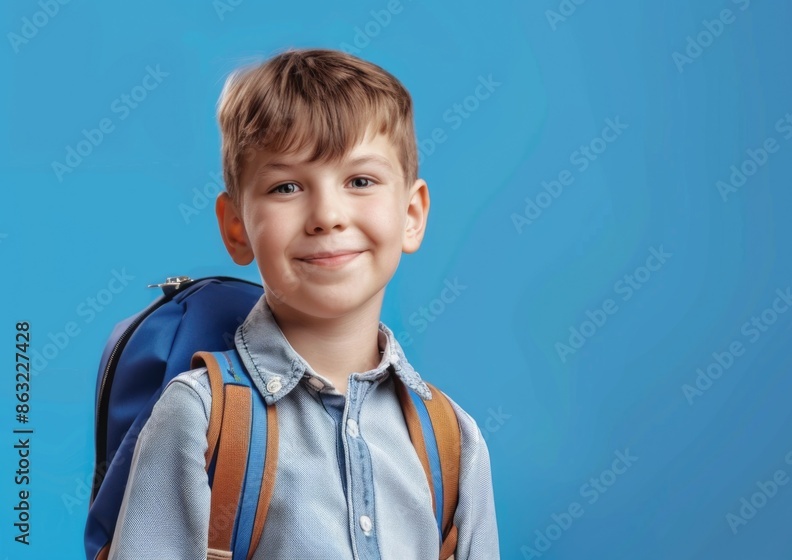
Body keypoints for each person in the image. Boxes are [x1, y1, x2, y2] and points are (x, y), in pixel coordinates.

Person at [107, 48, 501, 559]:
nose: (327, 215)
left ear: (411, 214)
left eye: (360, 181)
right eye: (286, 186)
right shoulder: (199, 418)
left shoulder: (453, 441)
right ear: (236, 227)